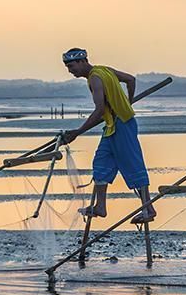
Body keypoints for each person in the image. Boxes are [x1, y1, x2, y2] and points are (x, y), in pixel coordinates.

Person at [59, 48, 156, 224]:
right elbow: (130, 80)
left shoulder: (96, 77)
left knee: (133, 165)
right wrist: (128, 101)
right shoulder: (105, 70)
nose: (70, 71)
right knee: (100, 163)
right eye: (67, 67)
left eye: (72, 66)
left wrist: (77, 132)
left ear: (83, 61)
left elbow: (100, 110)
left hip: (123, 125)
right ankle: (100, 207)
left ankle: (148, 209)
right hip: (111, 126)